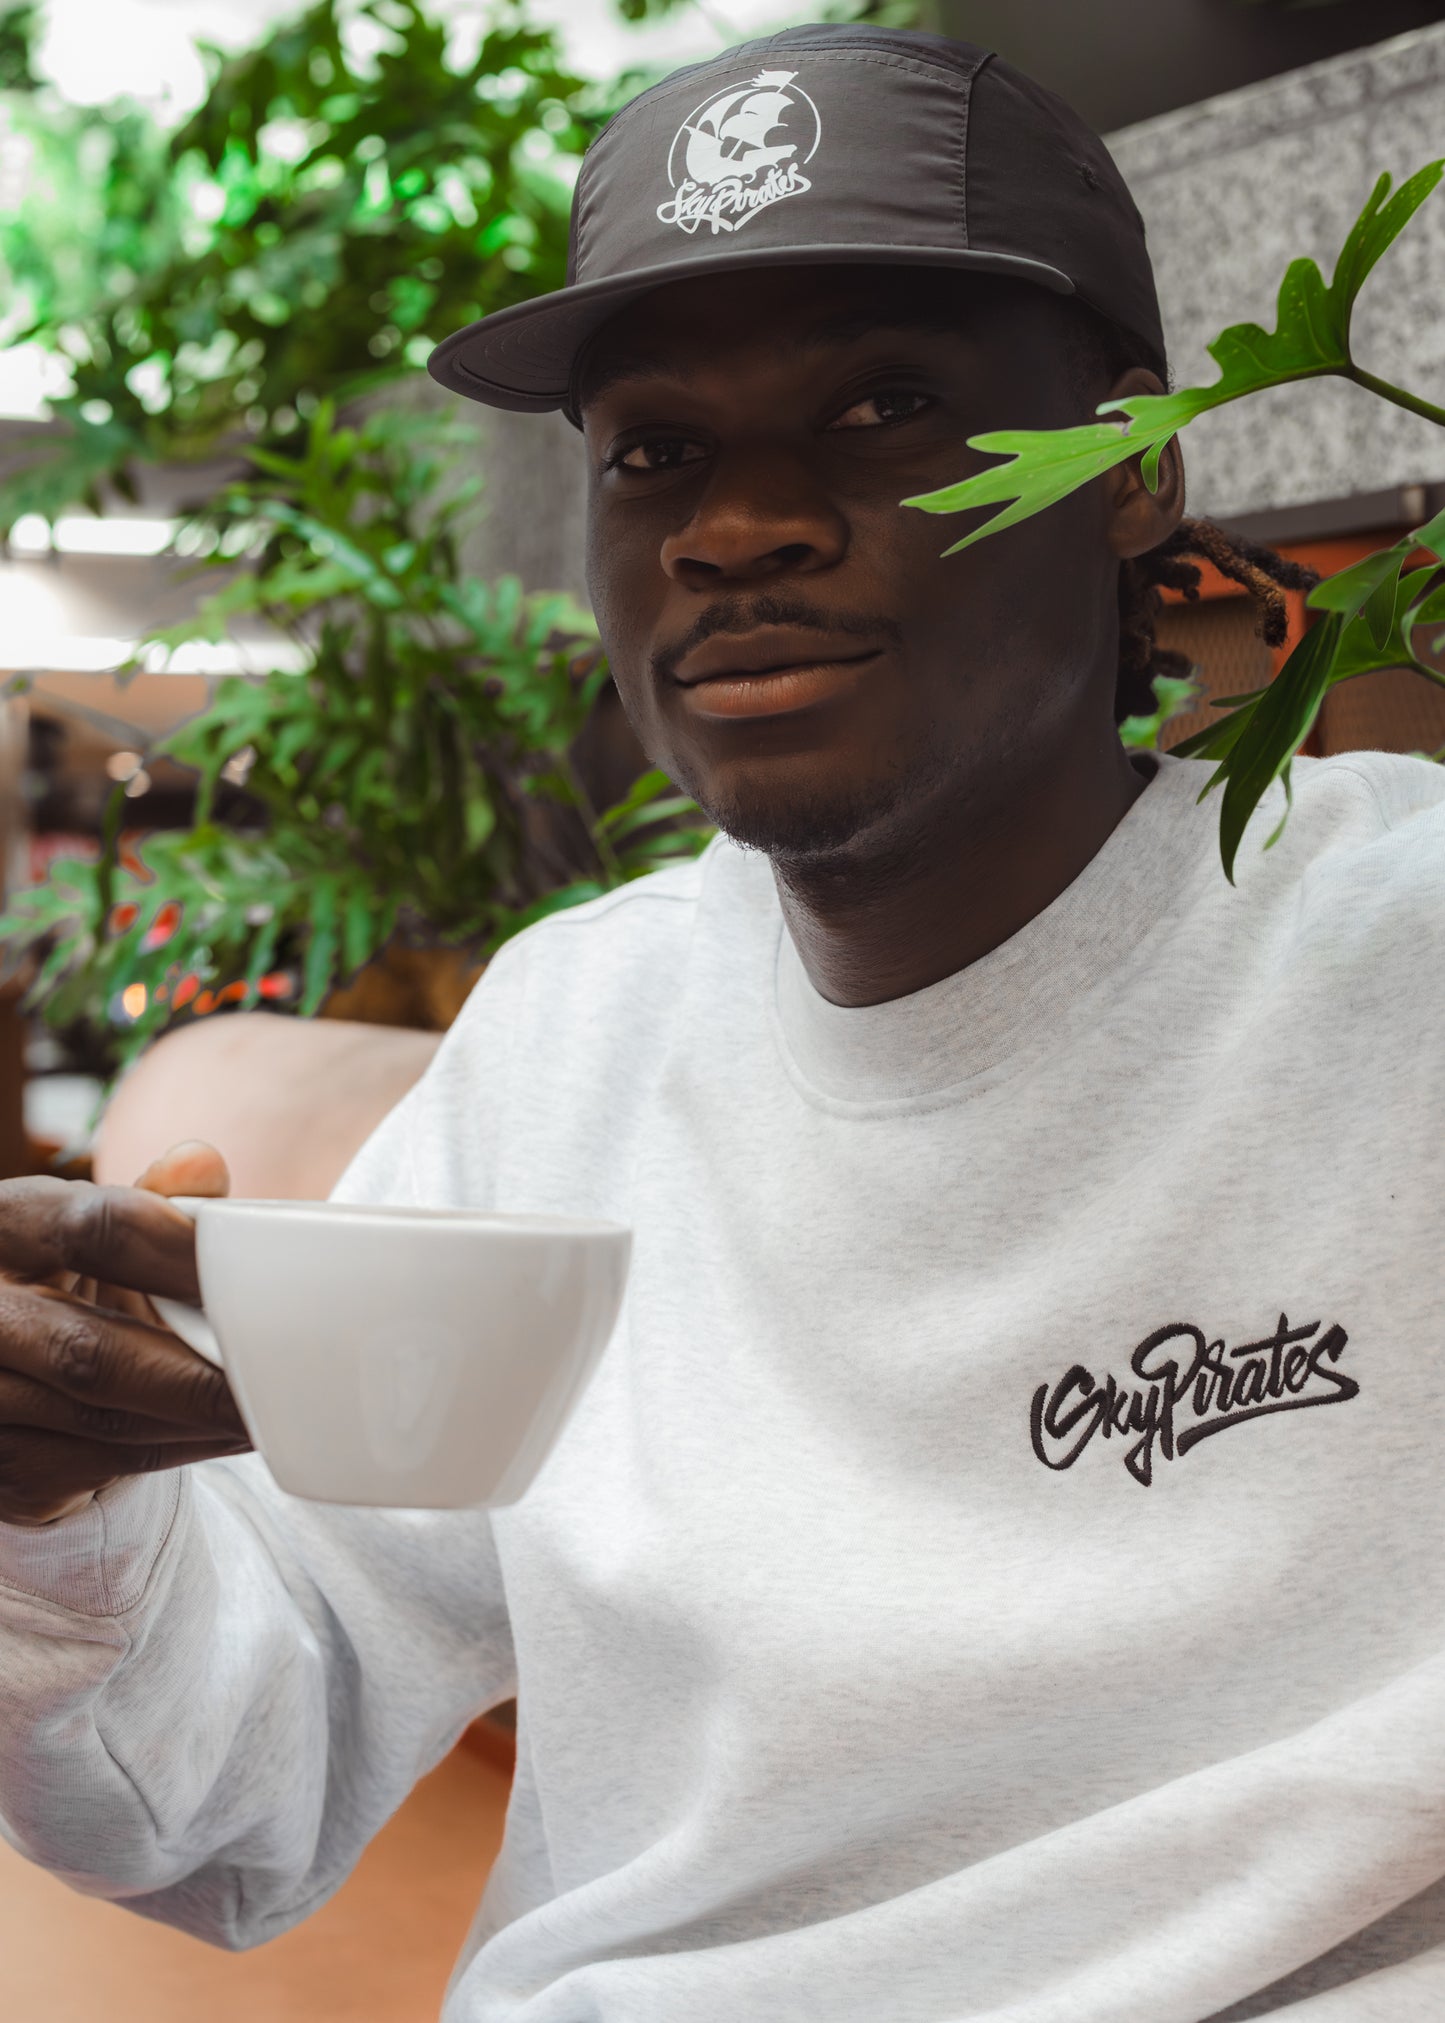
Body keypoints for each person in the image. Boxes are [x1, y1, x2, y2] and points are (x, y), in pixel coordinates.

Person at [0, 24, 1442, 2021]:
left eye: (881, 403)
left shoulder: (1406, 943)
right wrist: (53, 1511)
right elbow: (228, 1793)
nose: (729, 526)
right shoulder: (568, 1041)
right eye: (653, 450)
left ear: (1136, 469)